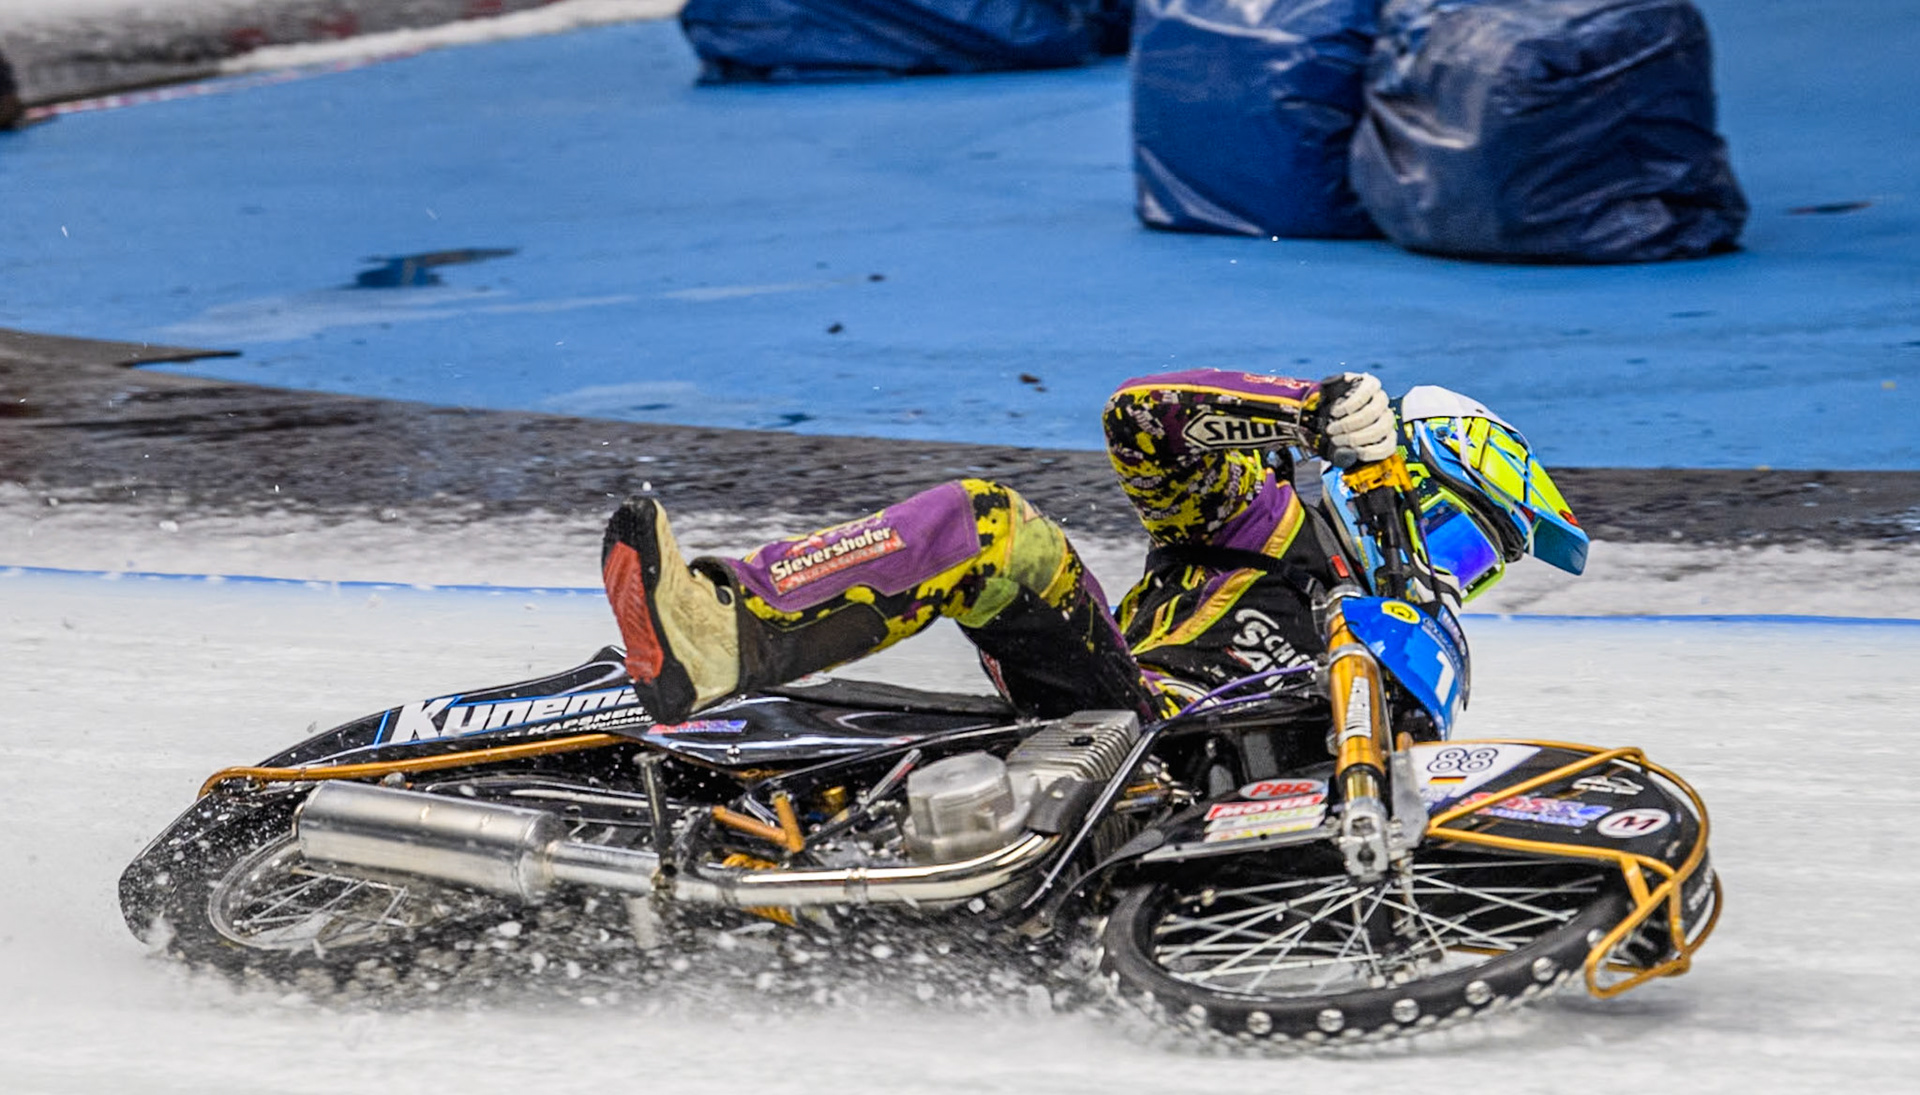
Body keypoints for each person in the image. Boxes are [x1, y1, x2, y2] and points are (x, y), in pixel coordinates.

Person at [601, 369, 1584, 724]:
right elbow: (1141, 422)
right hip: (1119, 713)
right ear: (1403, 481)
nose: (1459, 577)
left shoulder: (1409, 642)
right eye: (1460, 541)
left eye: (1480, 568)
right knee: (990, 521)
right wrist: (1302, 414)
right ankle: (721, 632)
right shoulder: (1272, 522)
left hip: (1232, 810)